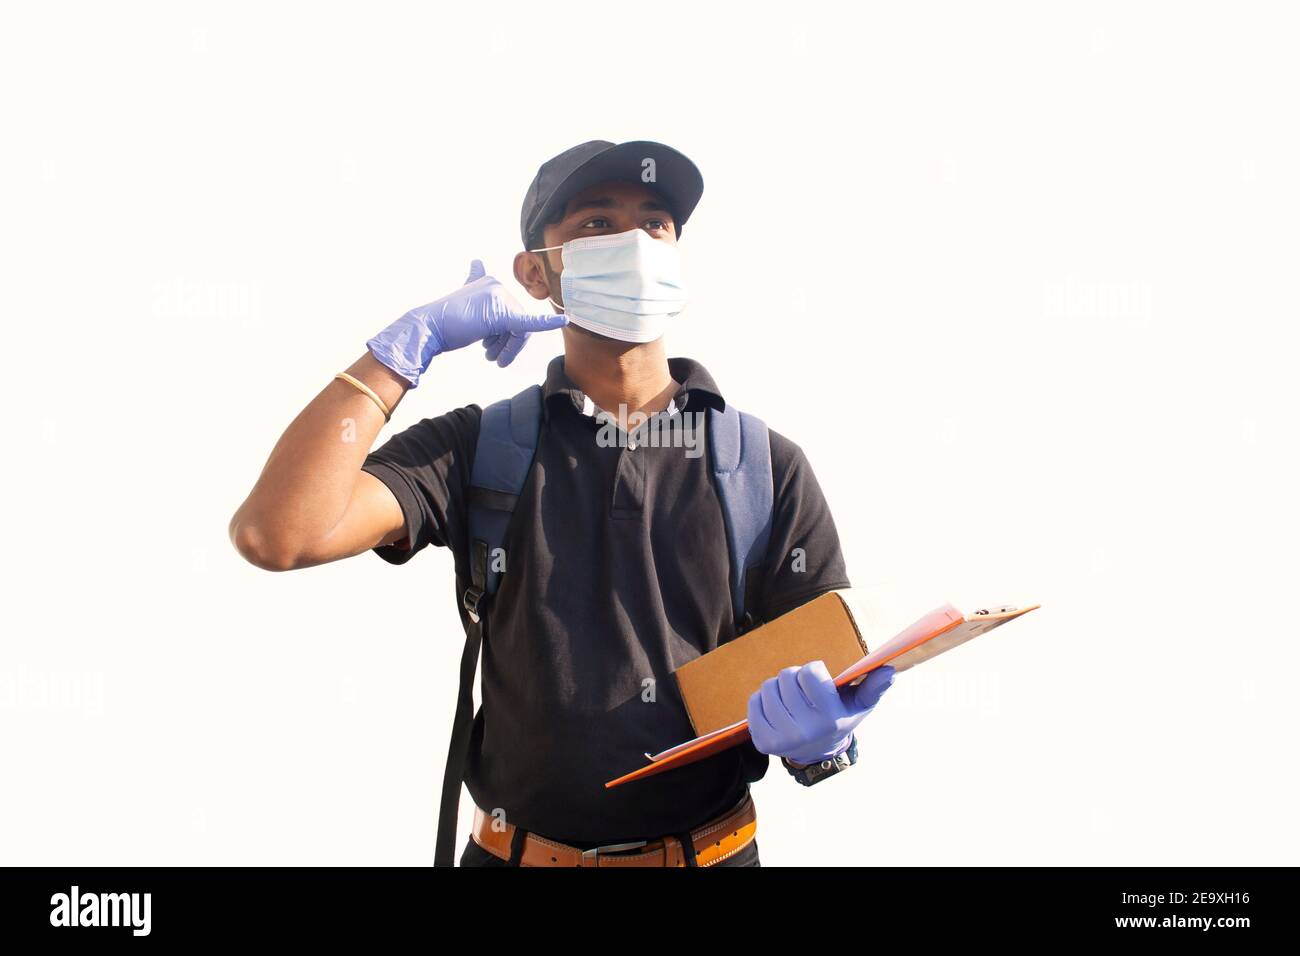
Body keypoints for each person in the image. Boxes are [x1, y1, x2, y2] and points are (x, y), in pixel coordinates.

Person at [229, 139, 895, 867]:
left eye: (656, 222)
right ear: (535, 272)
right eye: (597, 224)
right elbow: (278, 531)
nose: (634, 242)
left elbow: (818, 686)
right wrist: (405, 346)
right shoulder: (480, 448)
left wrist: (823, 740)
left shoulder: (762, 466)